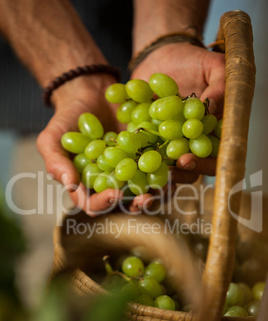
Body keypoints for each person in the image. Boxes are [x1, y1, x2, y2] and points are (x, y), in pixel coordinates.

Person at [0, 0, 225, 216]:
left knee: (188, 229)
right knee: (63, 236)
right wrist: (75, 84)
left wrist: (167, 39)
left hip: (136, 61)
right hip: (33, 109)